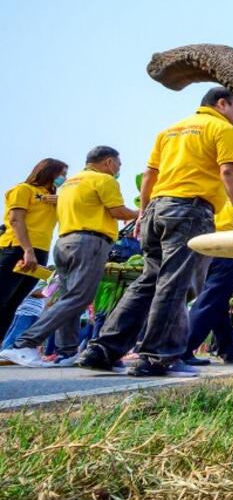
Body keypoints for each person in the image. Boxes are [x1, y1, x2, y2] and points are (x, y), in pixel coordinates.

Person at [77, 87, 233, 377]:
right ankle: (157, 357)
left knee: (149, 280)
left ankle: (103, 349)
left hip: (157, 208)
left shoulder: (170, 131)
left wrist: (143, 213)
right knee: (175, 282)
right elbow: (229, 172)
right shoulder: (222, 128)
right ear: (222, 104)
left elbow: (149, 176)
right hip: (190, 210)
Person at [2, 147, 138, 367]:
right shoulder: (103, 180)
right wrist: (141, 213)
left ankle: (67, 351)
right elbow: (117, 211)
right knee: (80, 297)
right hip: (89, 242)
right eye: (119, 165)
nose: (118, 169)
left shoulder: (69, 184)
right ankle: (24, 343)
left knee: (69, 296)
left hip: (63, 242)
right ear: (109, 162)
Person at [182, 174, 233, 366]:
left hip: (203, 252)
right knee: (210, 300)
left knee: (217, 302)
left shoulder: (212, 202)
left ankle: (229, 347)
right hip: (229, 254)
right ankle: (183, 348)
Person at [0, 158, 68, 341]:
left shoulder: (54, 199)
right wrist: (27, 250)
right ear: (48, 172)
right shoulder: (23, 190)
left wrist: (64, 200)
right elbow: (16, 220)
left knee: (12, 304)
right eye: (61, 174)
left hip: (41, 252)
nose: (63, 178)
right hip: (16, 249)